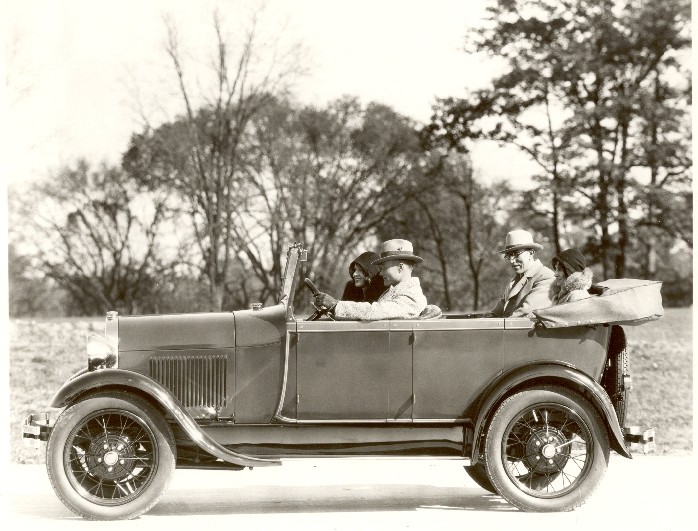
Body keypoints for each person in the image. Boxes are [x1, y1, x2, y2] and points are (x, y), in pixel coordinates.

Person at [314, 239, 427, 320]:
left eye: (384, 268)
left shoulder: (411, 296)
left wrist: (336, 305)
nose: (380, 273)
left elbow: (376, 311)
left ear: (400, 267)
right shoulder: (395, 291)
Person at [490, 229, 555, 317]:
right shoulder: (515, 280)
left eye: (517, 254)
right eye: (509, 255)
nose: (512, 261)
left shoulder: (545, 277)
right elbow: (498, 312)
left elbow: (525, 313)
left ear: (531, 253)